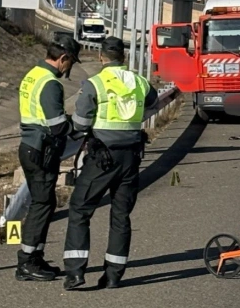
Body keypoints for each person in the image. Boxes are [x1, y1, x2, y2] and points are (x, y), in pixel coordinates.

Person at [63, 36, 158, 290]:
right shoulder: (140, 82)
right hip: (131, 156)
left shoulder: (95, 84)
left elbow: (81, 123)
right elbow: (153, 104)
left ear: (101, 57)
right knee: (120, 215)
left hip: (102, 156)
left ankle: (75, 271)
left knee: (80, 209)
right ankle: (114, 275)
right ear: (123, 58)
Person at [16, 35, 81, 282]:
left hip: (30, 145)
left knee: (45, 202)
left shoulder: (33, 74)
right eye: (71, 62)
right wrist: (79, 127)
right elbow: (57, 125)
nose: (70, 68)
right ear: (63, 58)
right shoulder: (51, 84)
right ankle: (27, 262)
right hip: (41, 148)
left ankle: (36, 257)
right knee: (42, 204)